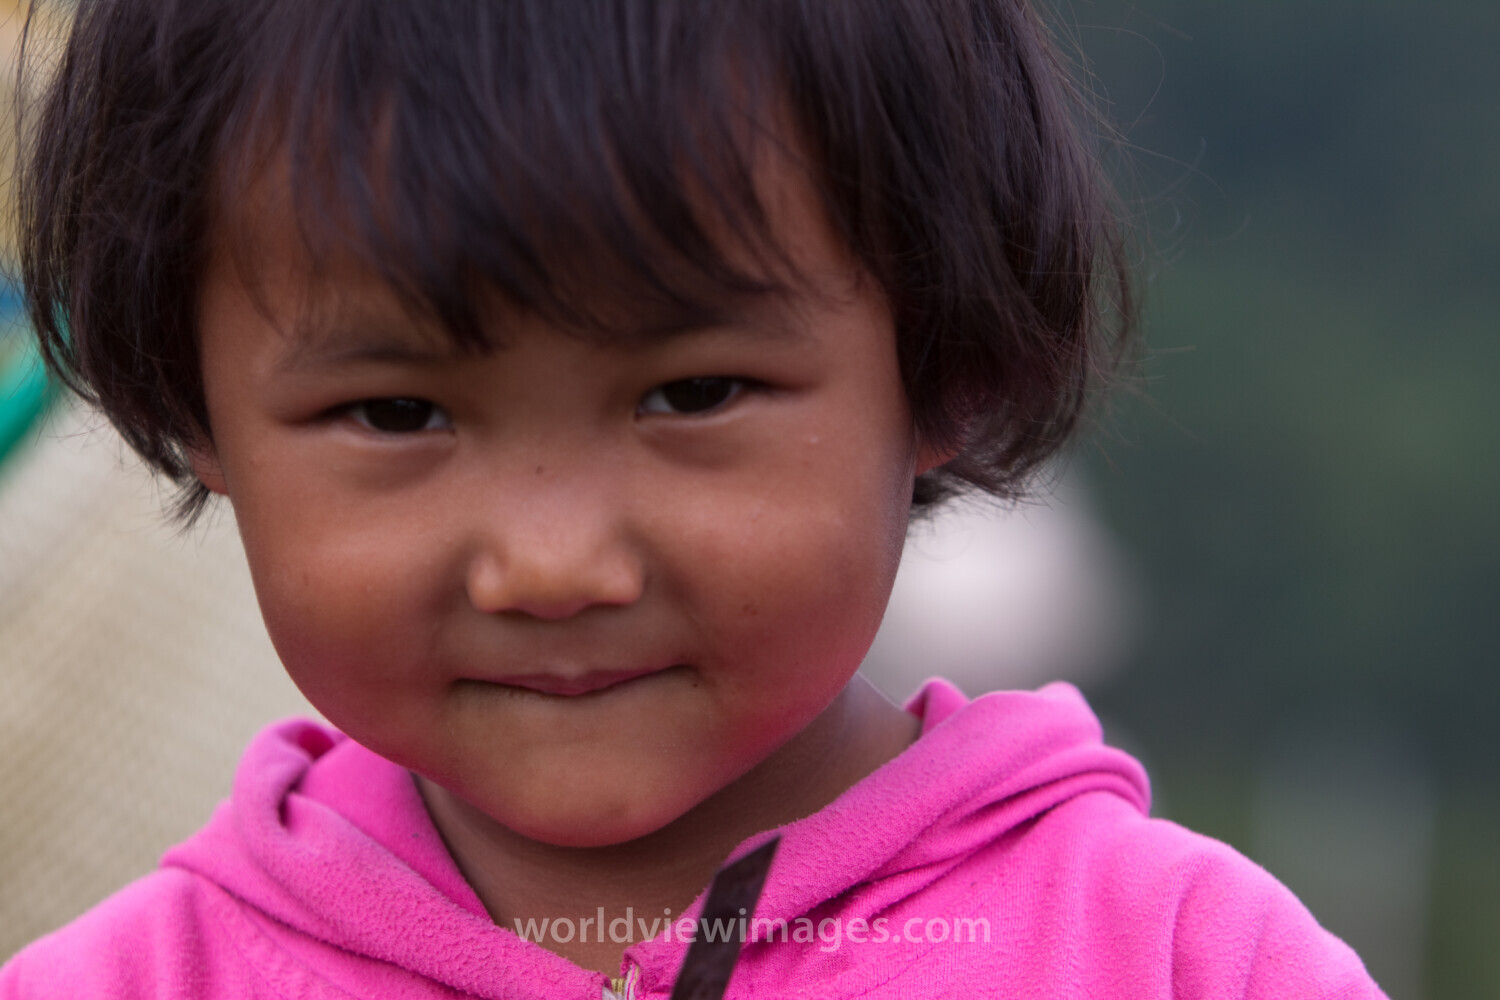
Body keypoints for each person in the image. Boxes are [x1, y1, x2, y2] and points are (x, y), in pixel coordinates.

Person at [1, 1, 1385, 997]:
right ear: (192, 409)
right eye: (399, 413)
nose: (551, 564)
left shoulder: (1173, 960)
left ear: (945, 363)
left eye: (693, 394)